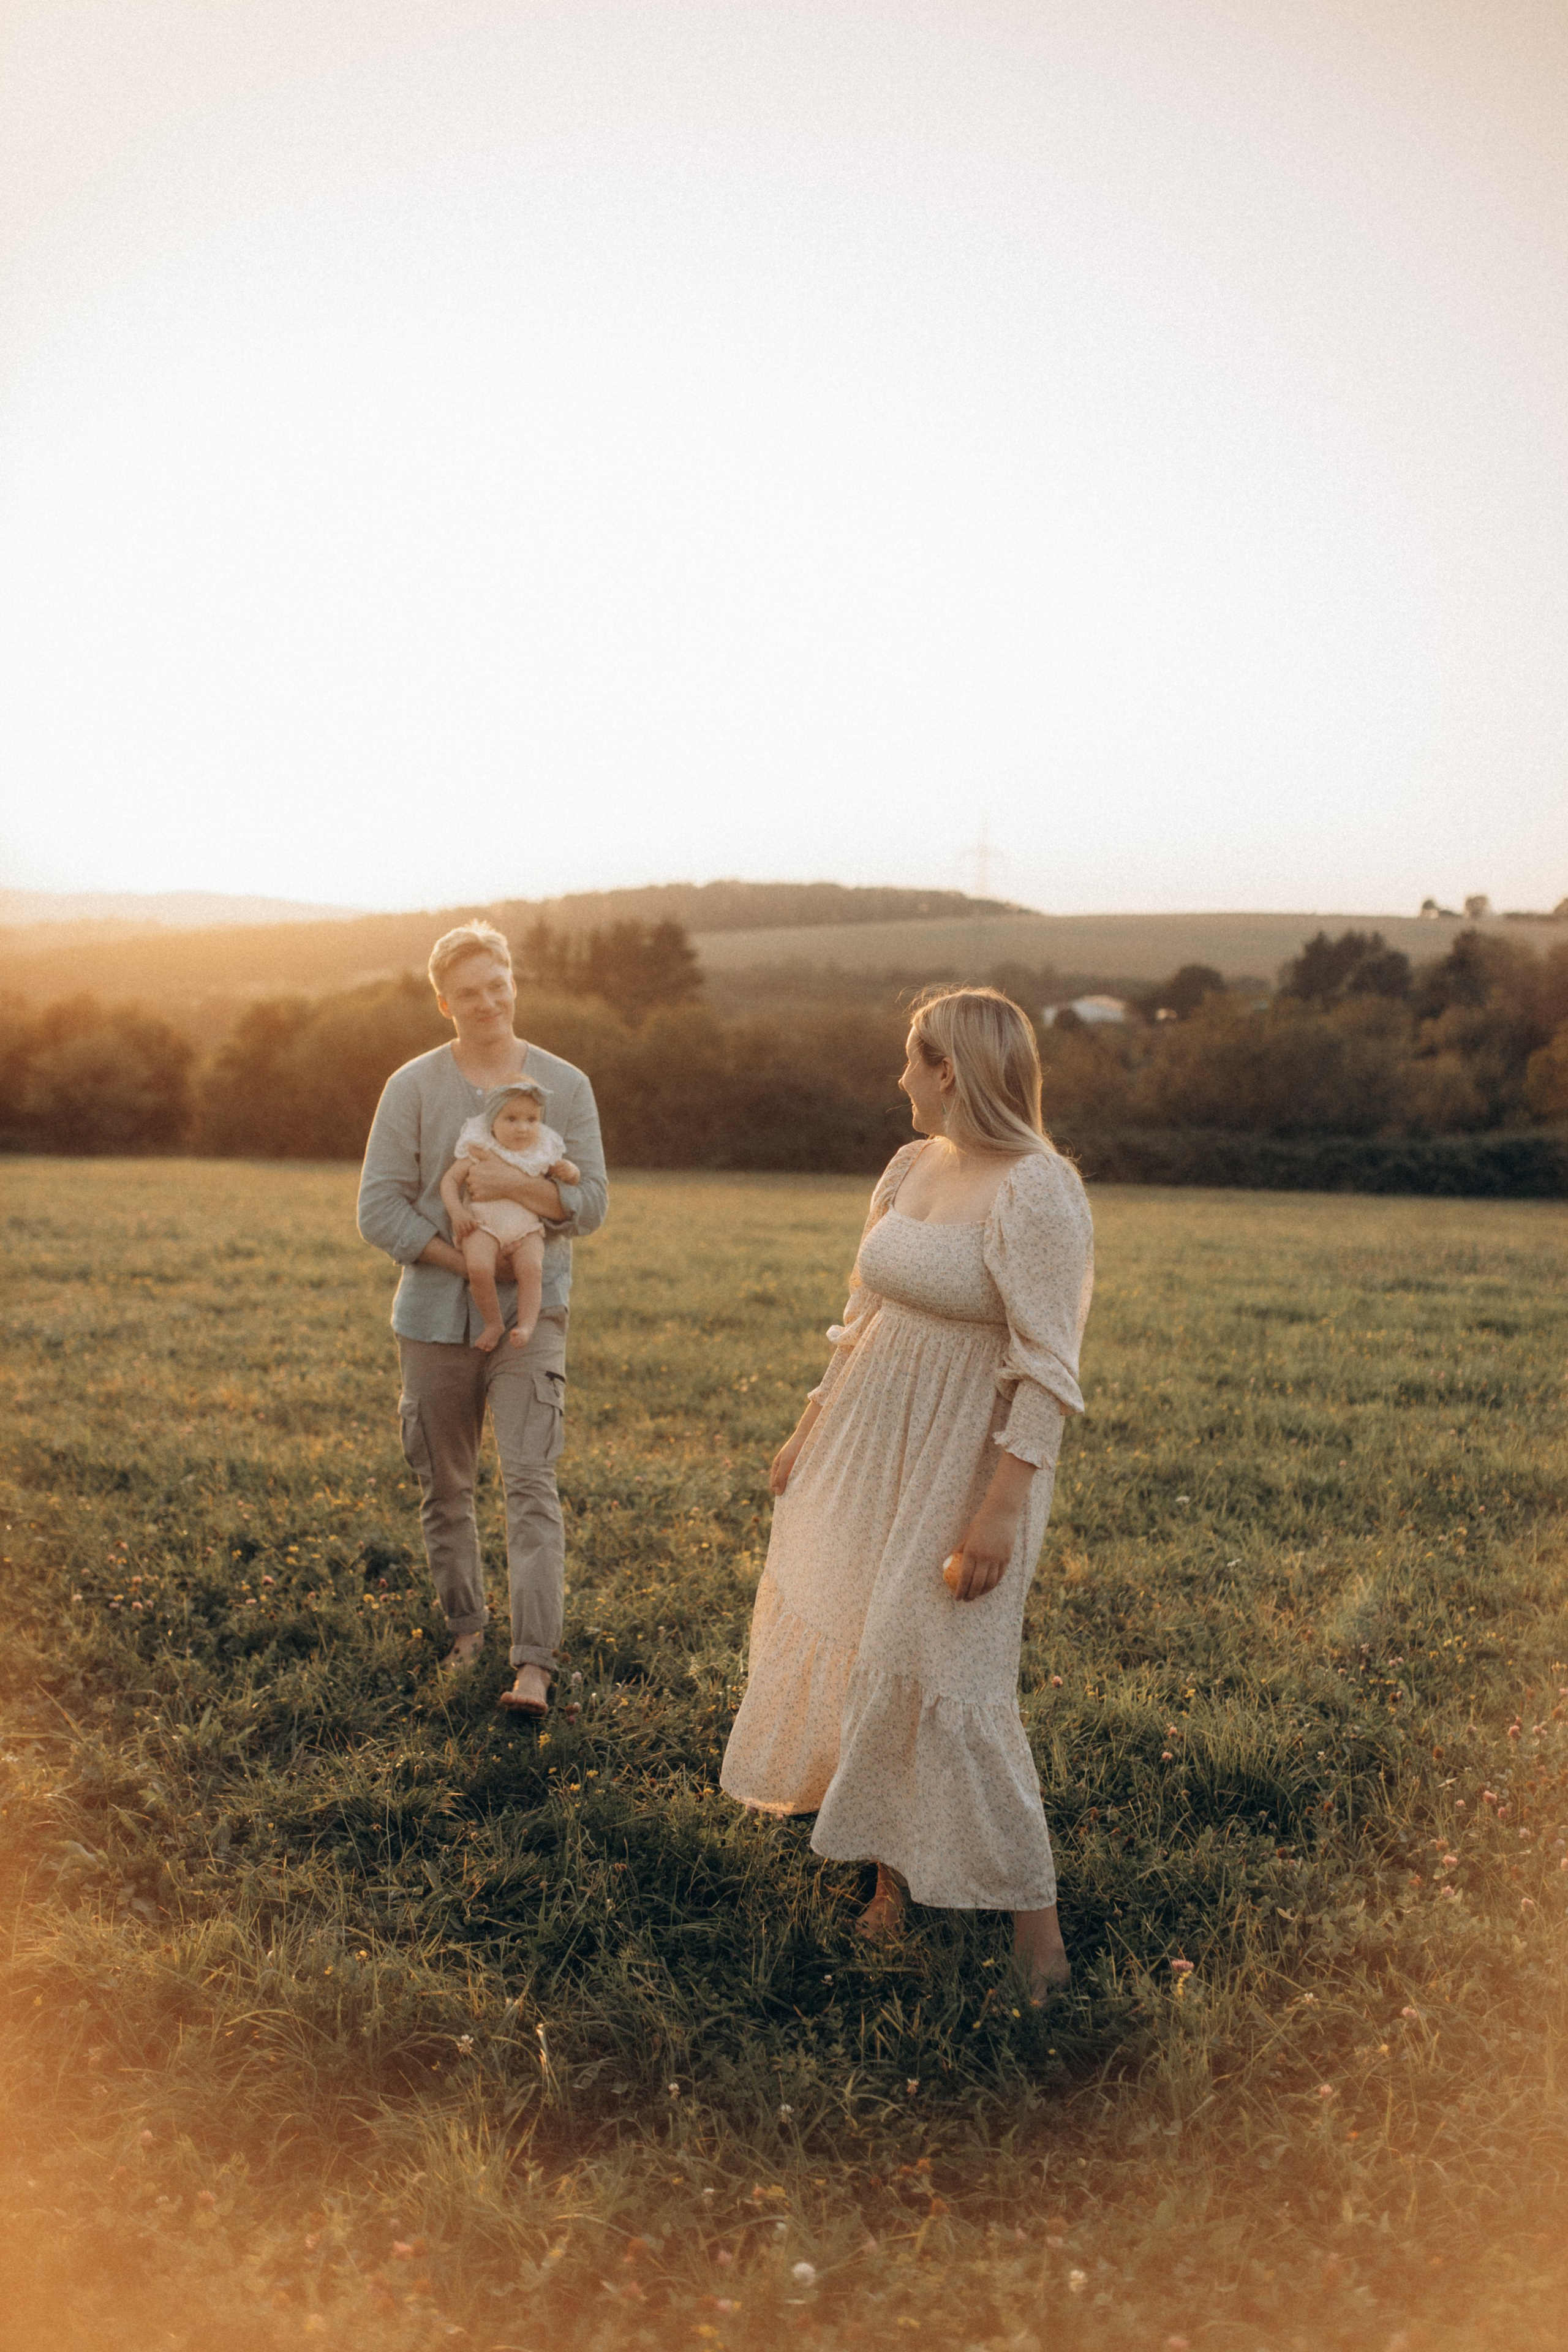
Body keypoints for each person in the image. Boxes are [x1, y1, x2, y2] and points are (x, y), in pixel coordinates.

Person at [720, 987, 1093, 1997]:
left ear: (952, 1071)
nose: (897, 1078)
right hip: (868, 1433)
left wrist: (1001, 1508)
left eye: (910, 1060)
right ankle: (892, 1881)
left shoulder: (1040, 1189)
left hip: (967, 1456)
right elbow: (863, 1314)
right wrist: (808, 1427)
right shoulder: (909, 1165)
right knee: (870, 1650)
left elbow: (1048, 1364)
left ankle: (1037, 1928)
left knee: (951, 1673)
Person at [356, 921, 608, 1716]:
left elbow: (589, 1204)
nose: (488, 1001)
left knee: (531, 1481)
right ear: (445, 1003)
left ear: (513, 984)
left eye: (498, 984)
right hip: (433, 1317)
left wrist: (517, 1198)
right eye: (469, 992)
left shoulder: (565, 1085)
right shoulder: (413, 1086)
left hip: (538, 1317)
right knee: (446, 1484)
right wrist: (465, 1256)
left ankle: (533, 1665)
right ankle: (467, 1630)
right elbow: (378, 1209)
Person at [440, 1080, 580, 1354]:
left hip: (526, 1228)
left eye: (531, 1119)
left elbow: (571, 1180)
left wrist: (571, 1171)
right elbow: (449, 1181)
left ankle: (527, 1325)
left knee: (532, 1270)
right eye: (511, 1119)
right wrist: (457, 1212)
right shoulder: (481, 1149)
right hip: (482, 1224)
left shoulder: (540, 1152)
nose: (523, 1128)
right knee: (479, 1267)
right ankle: (493, 1323)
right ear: (493, 1121)